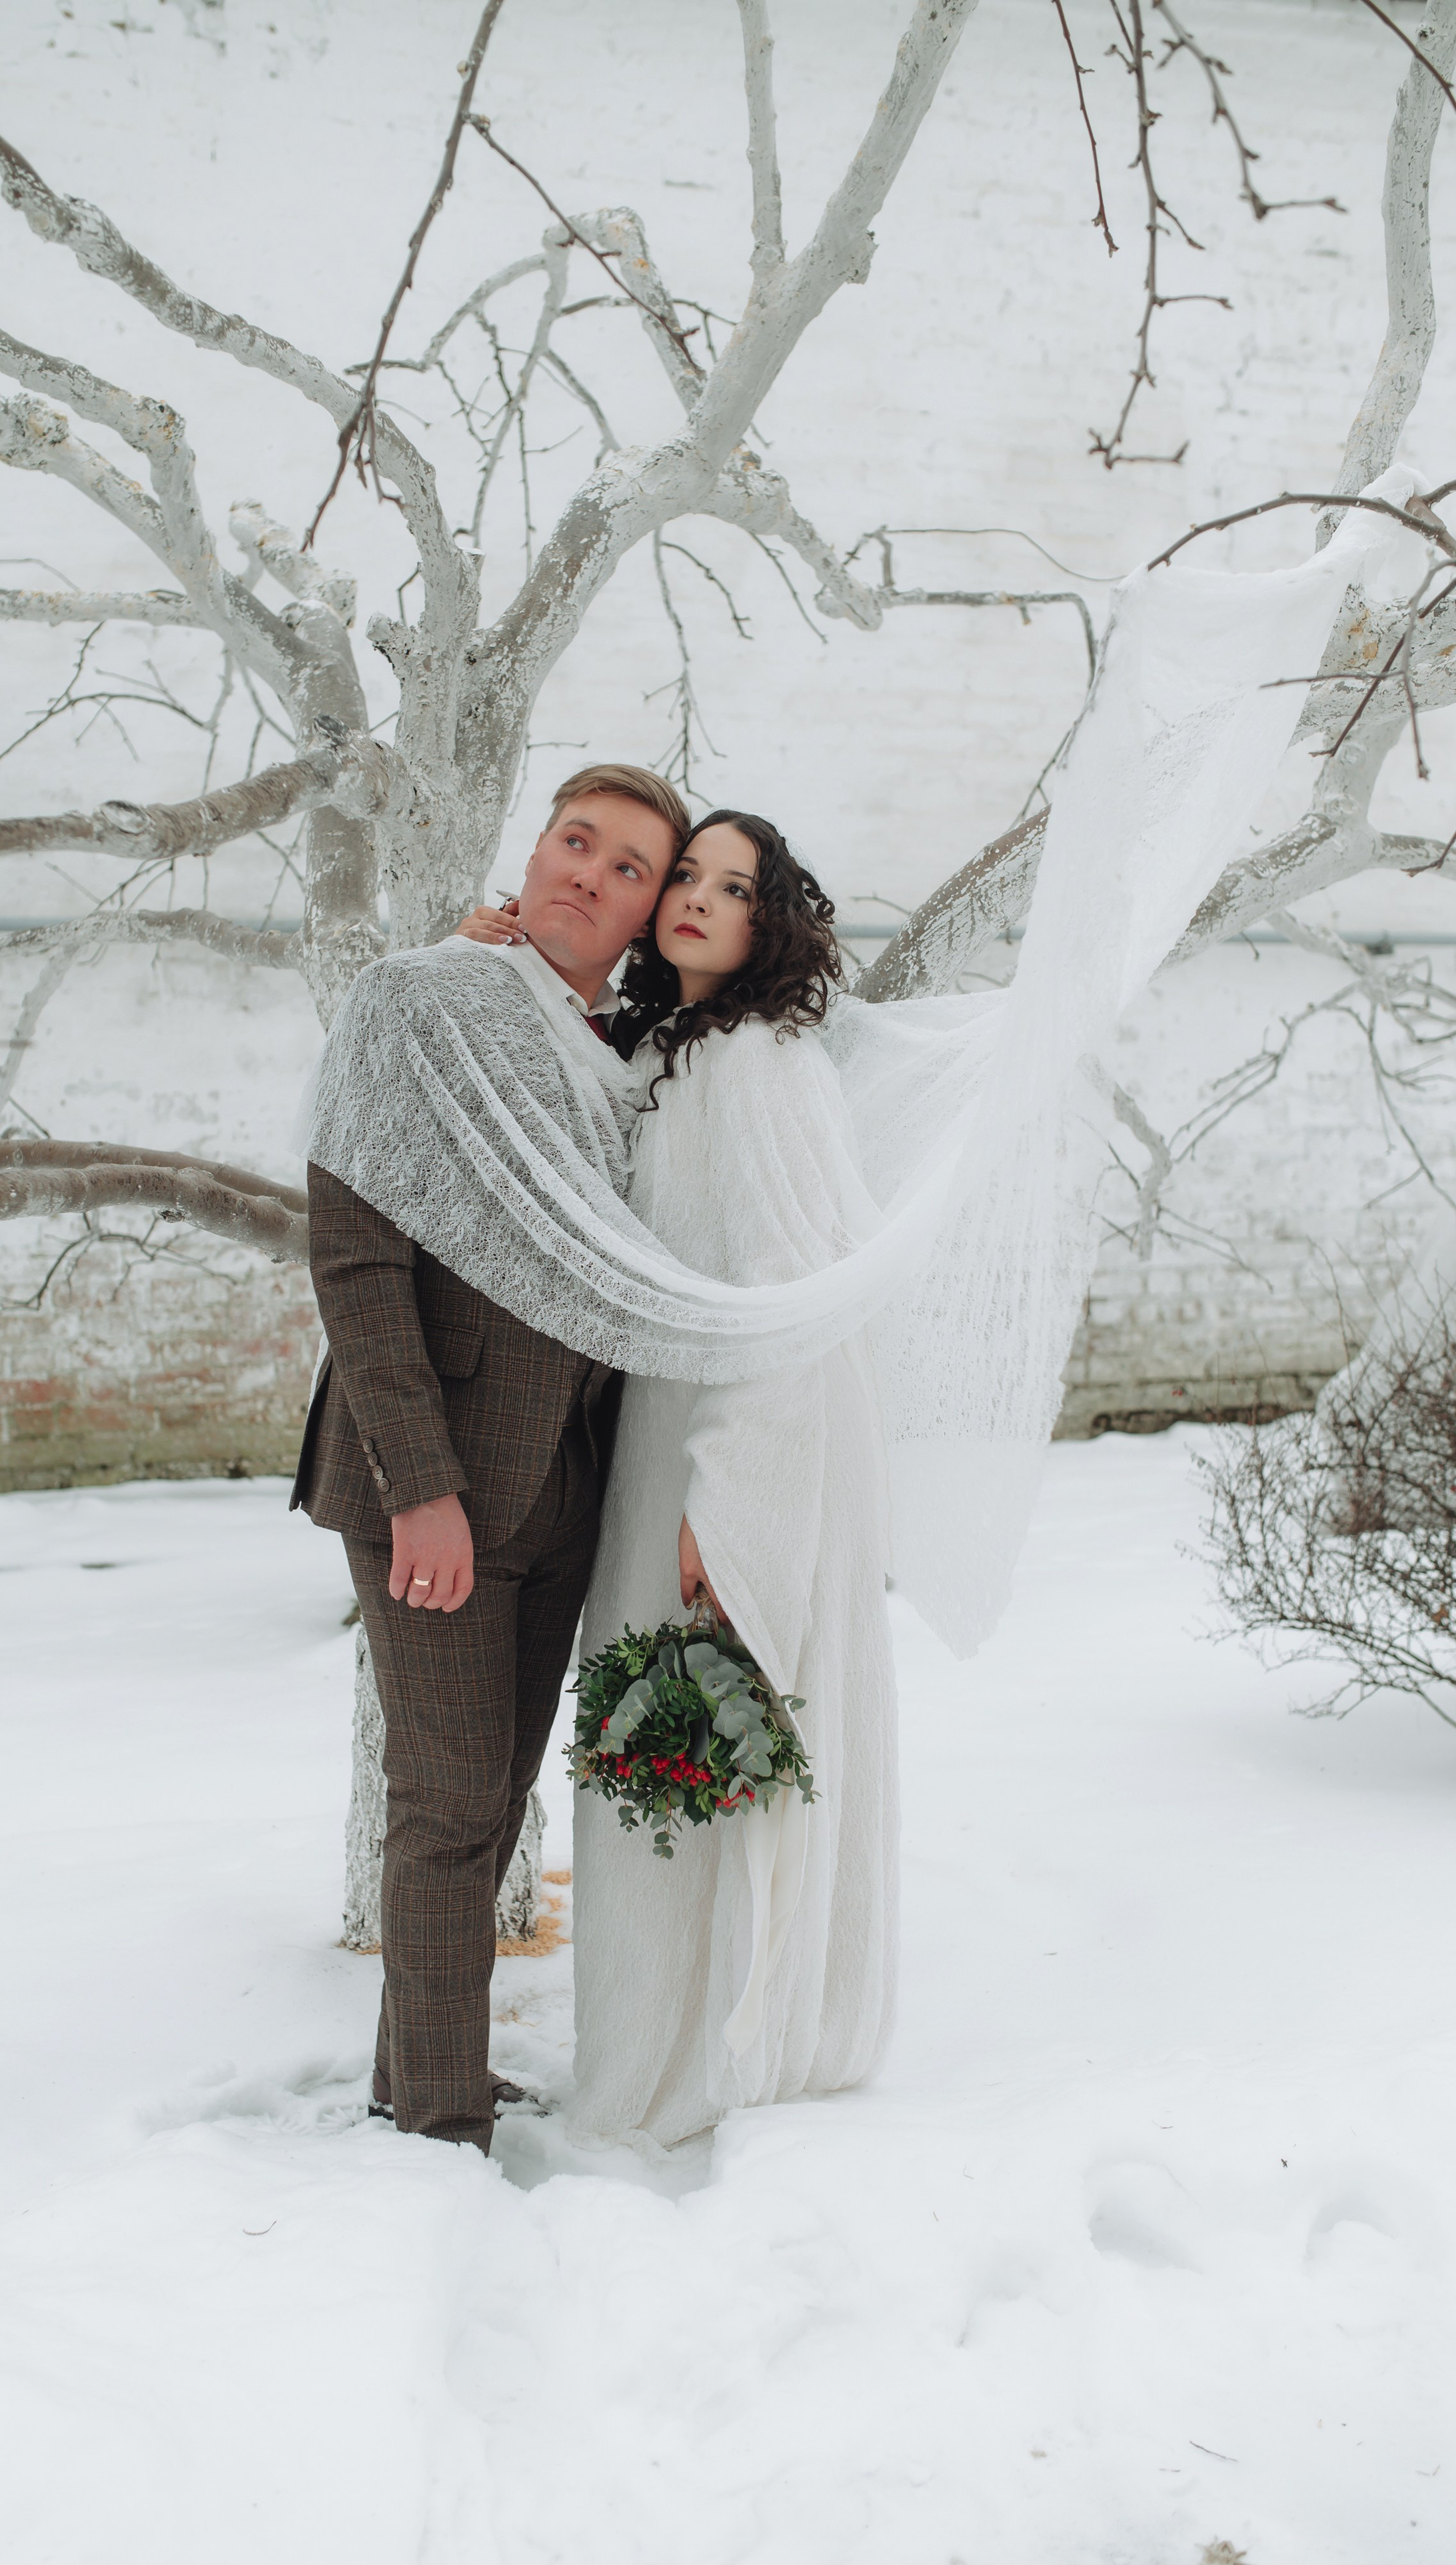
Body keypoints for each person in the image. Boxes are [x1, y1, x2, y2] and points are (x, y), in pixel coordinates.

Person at [459, 812, 897, 2147]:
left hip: (719, 1457)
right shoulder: (666, 1051)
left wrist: (726, 1502)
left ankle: (694, 2060)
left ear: (774, 922)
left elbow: (782, 1299)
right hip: (654, 1449)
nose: (698, 899)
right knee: (644, 1765)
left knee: (682, 1763)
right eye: (686, 878)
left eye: (733, 886)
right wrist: (496, 962)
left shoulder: (756, 1064)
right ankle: (649, 2044)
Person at [291, 762, 688, 2155]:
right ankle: (438, 2126)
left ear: (647, 907)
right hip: (439, 1483)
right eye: (575, 841)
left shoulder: (622, 1054)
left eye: (628, 865)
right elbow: (354, 1257)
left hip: (568, 1479)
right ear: (537, 847)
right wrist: (422, 1487)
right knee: (448, 1805)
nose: (588, 872)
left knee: (494, 1798)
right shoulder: (418, 998)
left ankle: (422, 2071)